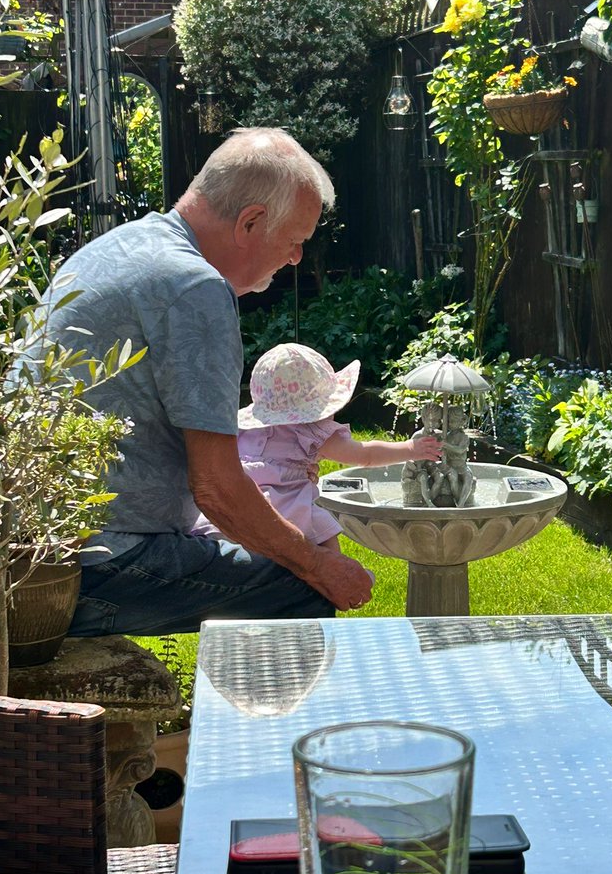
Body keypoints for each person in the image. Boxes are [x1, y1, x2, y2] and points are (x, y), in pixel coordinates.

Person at [28, 127, 376, 635]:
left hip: (31, 557)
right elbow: (216, 487)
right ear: (251, 222)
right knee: (303, 589)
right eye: (295, 241)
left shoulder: (120, 246)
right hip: (91, 571)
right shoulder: (195, 287)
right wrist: (320, 565)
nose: (297, 257)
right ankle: (248, 720)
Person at [193, 344, 441, 549]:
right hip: (286, 512)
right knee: (325, 538)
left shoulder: (244, 428)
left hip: (233, 510)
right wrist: (411, 449)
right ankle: (332, 586)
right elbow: (365, 455)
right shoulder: (311, 431)